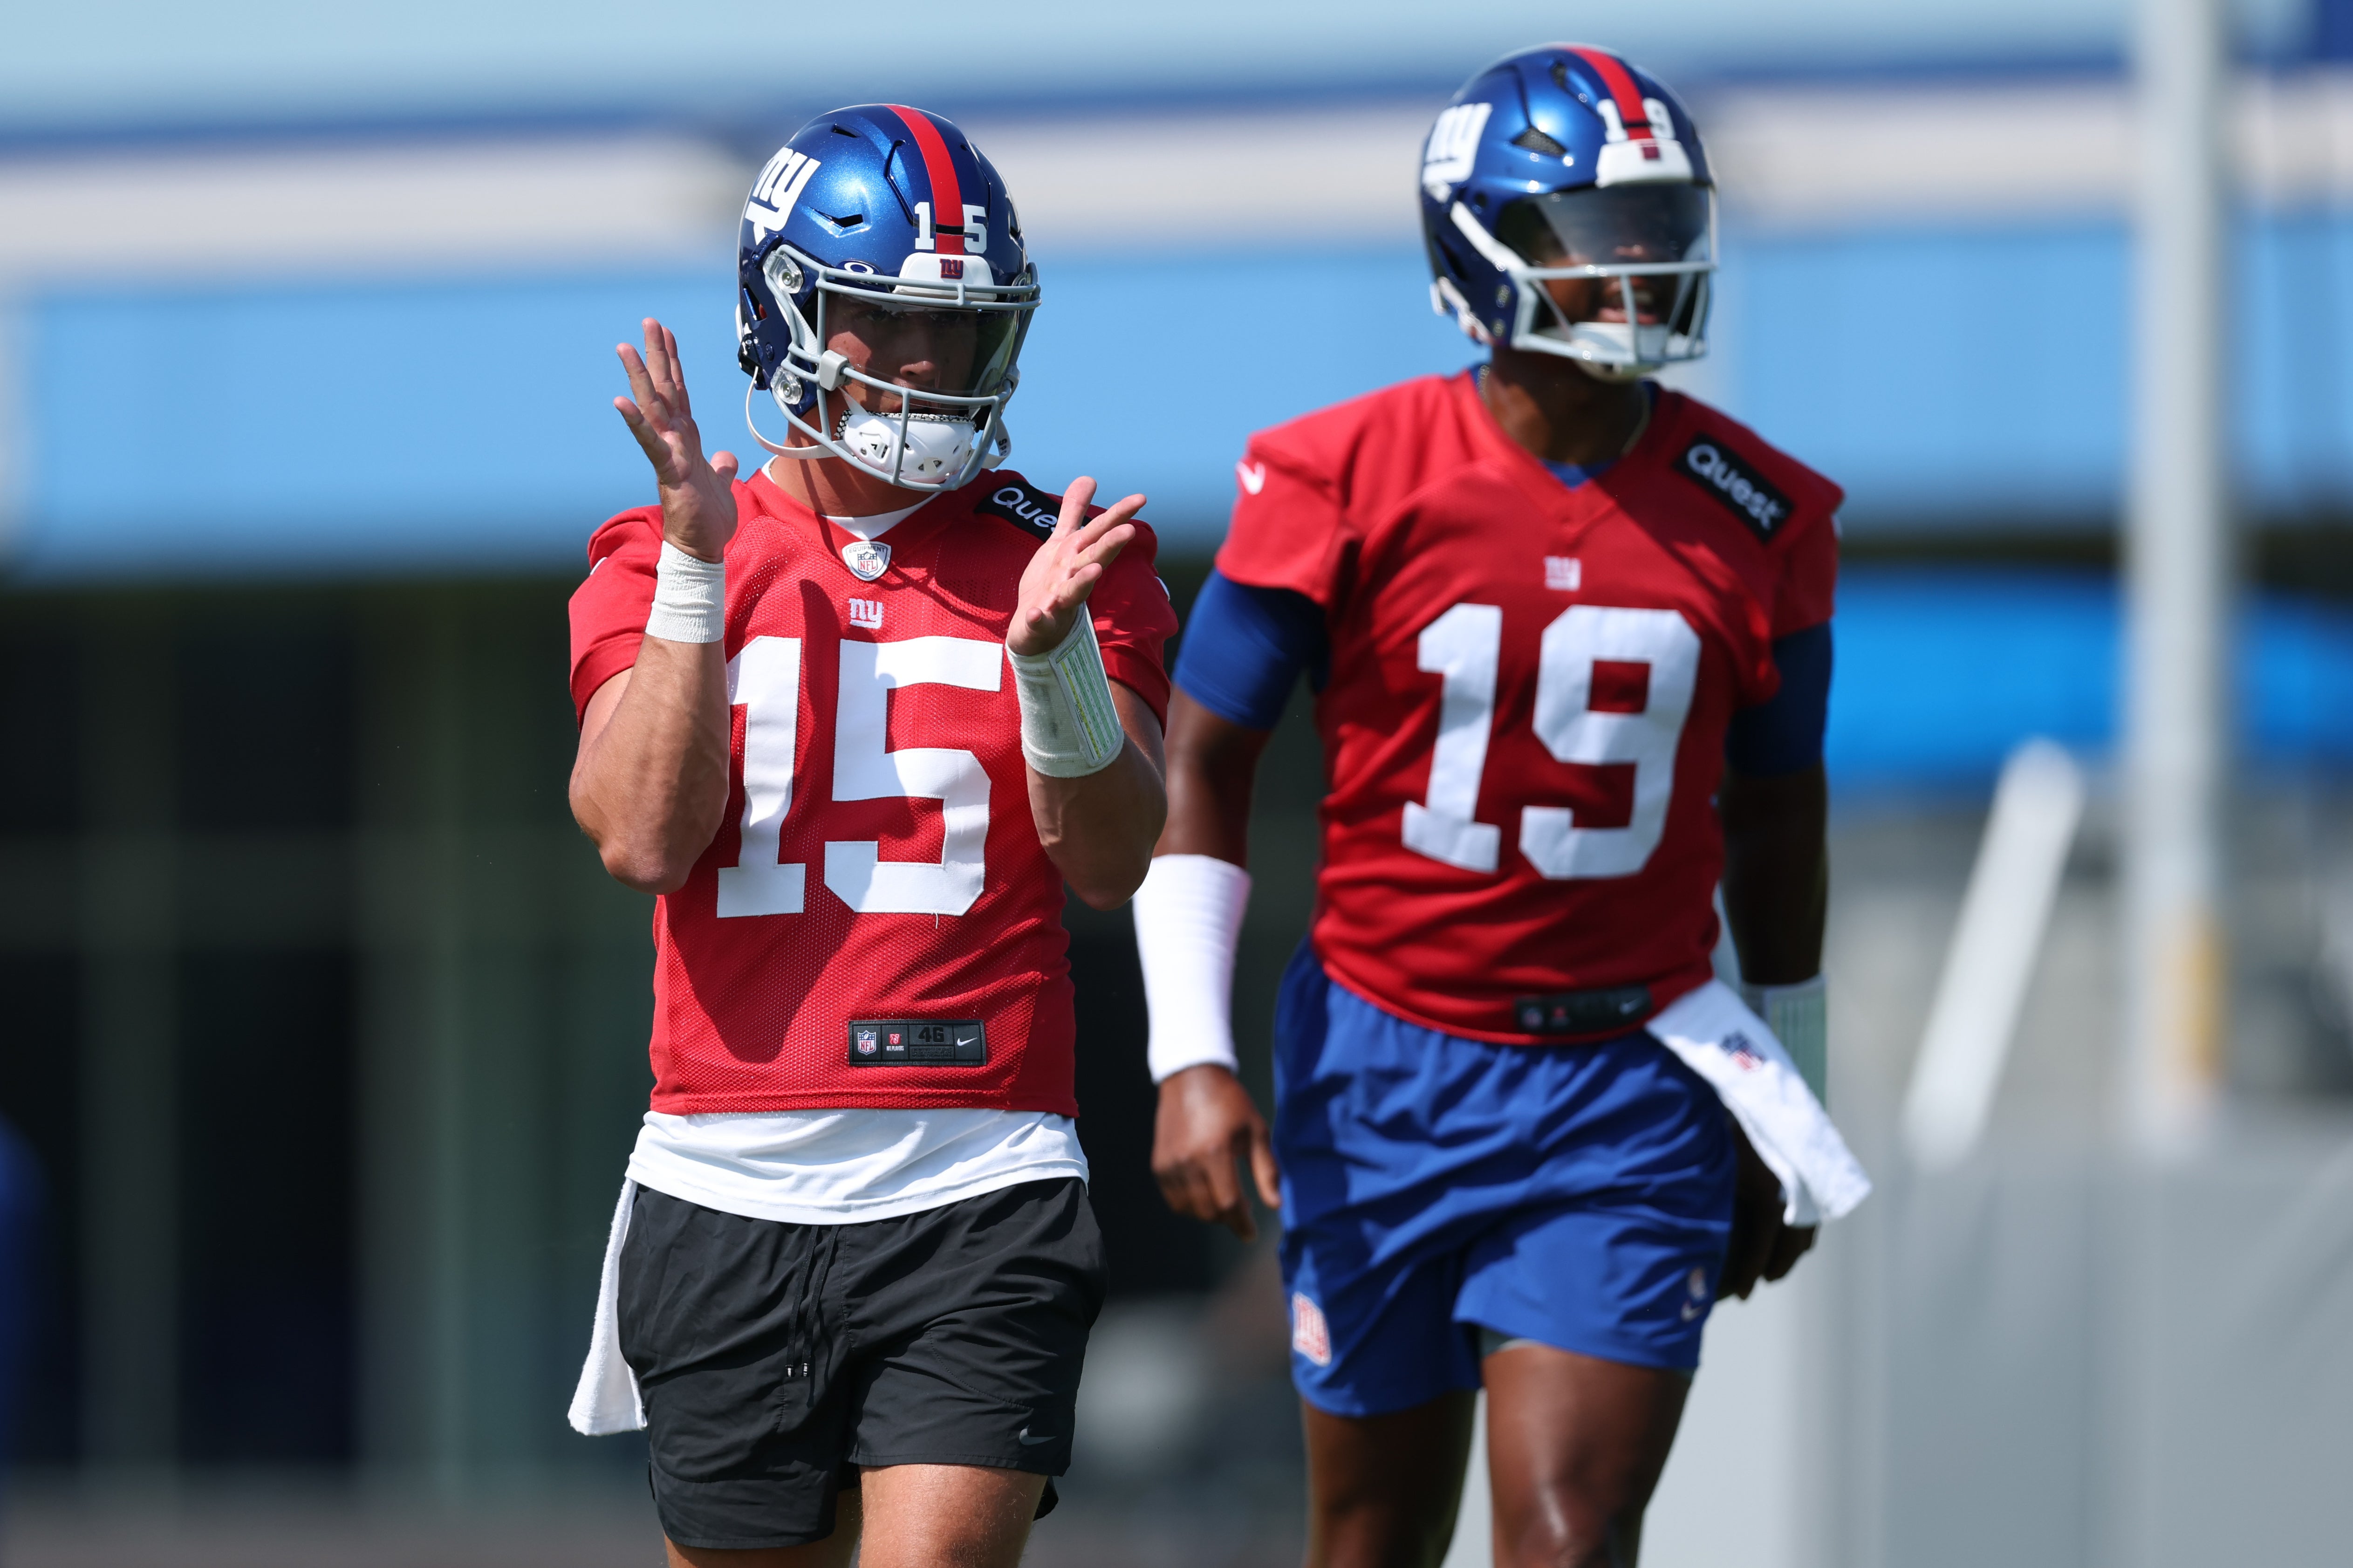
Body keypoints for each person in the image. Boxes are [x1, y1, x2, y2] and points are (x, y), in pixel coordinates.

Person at [1130, 45, 1867, 1568]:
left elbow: (1780, 811)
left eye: (1656, 220)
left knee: (1565, 1532)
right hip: (1380, 1067)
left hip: (1627, 1078)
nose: (1637, 263)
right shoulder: (1339, 475)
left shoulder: (1760, 510)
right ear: (1481, 247)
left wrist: (1784, 1086)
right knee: (1372, 1540)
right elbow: (1203, 760)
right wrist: (1188, 1054)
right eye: (1594, 229)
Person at [563, 103, 1176, 1568]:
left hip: (982, 1173)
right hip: (727, 1172)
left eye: (955, 333)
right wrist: (703, 571)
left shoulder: (1074, 556)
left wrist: (1054, 668)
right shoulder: (655, 552)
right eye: (885, 323)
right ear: (787, 311)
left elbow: (1110, 860)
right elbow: (644, 839)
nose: (922, 367)